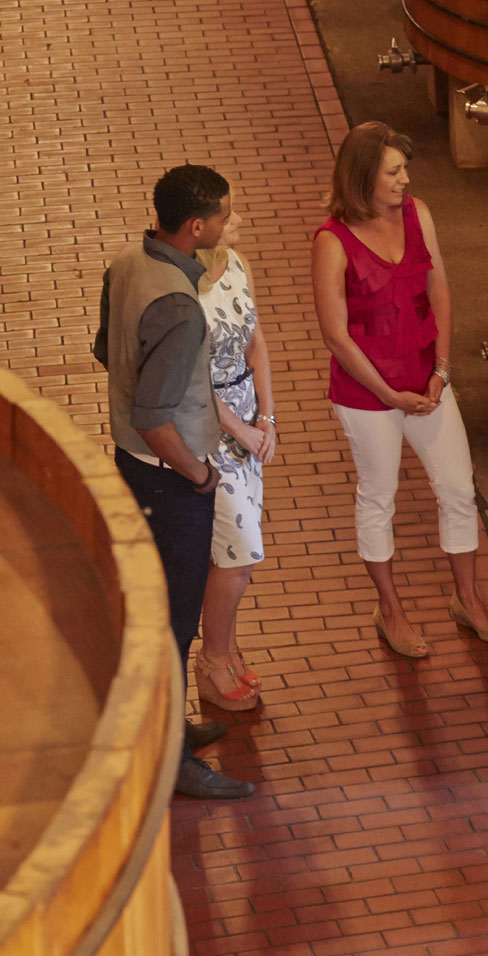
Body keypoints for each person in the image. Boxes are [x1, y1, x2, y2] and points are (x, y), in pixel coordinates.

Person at [313, 121, 488, 658]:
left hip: (428, 384)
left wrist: (441, 371)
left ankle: (467, 597)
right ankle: (390, 610)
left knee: (458, 489)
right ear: (362, 177)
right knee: (379, 497)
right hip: (367, 395)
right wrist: (389, 394)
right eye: (393, 171)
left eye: (406, 169)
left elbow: (439, 287)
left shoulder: (419, 214)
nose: (405, 180)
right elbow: (336, 334)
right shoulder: (332, 241)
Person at [94, 164, 255, 799]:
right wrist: (200, 471)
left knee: (164, 610)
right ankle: (169, 759)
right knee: (172, 619)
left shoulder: (128, 263)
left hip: (132, 466)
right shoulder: (183, 308)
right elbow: (155, 417)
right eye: (223, 215)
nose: (228, 223)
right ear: (197, 227)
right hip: (169, 480)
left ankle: (172, 726)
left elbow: (107, 351)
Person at [194, 198, 275, 711]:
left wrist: (267, 417)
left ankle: (228, 646)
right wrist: (241, 433)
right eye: (227, 213)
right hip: (211, 429)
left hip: (247, 421)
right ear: (198, 224)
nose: (239, 219)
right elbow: (191, 377)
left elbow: (256, 342)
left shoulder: (238, 264)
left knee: (234, 555)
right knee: (240, 551)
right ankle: (211, 660)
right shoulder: (182, 289)